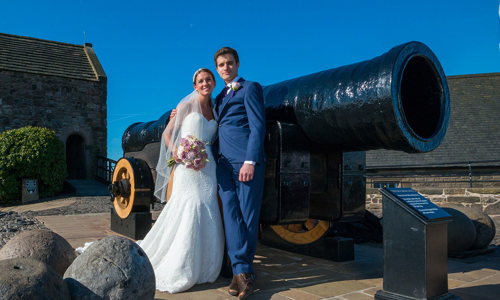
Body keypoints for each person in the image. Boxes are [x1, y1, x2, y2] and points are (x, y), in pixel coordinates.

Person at [138, 68, 224, 293]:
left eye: (208, 79)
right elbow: (167, 134)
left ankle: (207, 266)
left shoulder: (215, 109)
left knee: (208, 206)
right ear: (195, 86)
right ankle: (183, 263)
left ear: (214, 82)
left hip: (209, 166)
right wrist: (177, 151)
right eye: (200, 81)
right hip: (187, 166)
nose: (205, 83)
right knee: (190, 205)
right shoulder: (186, 106)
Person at [213, 47, 266, 299]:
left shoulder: (250, 88)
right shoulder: (218, 97)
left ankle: (242, 273)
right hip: (223, 166)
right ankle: (241, 271)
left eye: (229, 63)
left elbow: (257, 127)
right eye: (221, 65)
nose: (226, 68)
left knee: (247, 217)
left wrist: (250, 161)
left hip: (245, 164)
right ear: (217, 68)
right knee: (232, 217)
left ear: (237, 64)